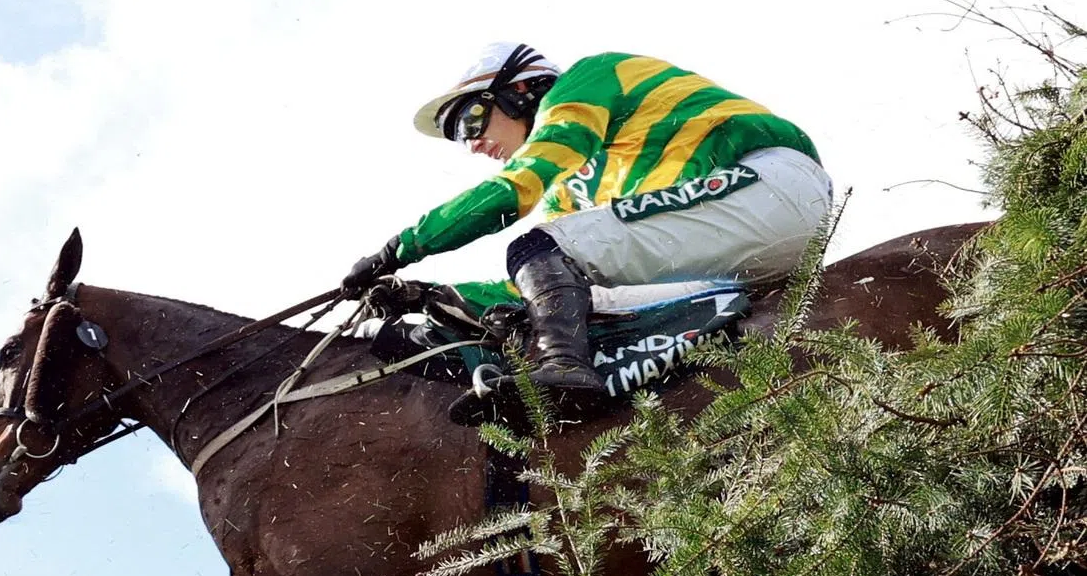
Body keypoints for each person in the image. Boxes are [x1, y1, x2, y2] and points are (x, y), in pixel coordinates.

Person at [344, 42, 832, 413]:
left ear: (519, 91)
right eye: (458, 138)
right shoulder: (573, 192)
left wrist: (400, 249)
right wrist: (428, 296)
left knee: (536, 246)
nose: (472, 144)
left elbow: (515, 191)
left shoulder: (584, 82)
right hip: (731, 249)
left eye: (471, 120)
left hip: (769, 187)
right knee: (553, 301)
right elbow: (545, 286)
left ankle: (565, 370)